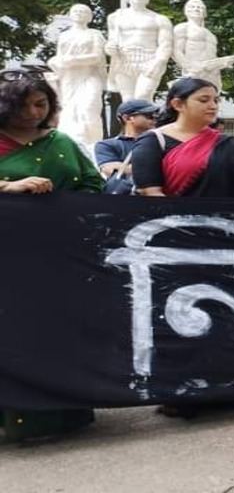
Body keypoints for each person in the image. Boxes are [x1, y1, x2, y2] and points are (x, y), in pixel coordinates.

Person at [0, 70, 103, 441]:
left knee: (57, 330)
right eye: (22, 105)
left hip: (59, 255)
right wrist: (10, 188)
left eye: (40, 103)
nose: (32, 112)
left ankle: (65, 416)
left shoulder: (62, 141)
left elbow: (94, 185)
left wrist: (61, 205)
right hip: (8, 261)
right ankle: (17, 418)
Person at [132, 77, 234, 198]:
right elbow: (150, 192)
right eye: (203, 100)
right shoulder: (153, 141)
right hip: (173, 221)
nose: (213, 106)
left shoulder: (230, 144)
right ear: (178, 104)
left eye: (216, 100)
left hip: (228, 221)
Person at [47, 4, 107, 144]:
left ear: (89, 17)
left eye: (83, 11)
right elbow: (60, 58)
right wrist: (55, 63)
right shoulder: (65, 35)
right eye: (75, 11)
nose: (79, 13)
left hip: (89, 75)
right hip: (69, 77)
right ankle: (69, 141)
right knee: (69, 108)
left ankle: (94, 143)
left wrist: (73, 60)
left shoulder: (94, 34)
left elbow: (97, 56)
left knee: (89, 107)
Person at [105, 0, 173, 102]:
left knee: (143, 97)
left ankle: (149, 120)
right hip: (124, 61)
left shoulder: (159, 19)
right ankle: (131, 122)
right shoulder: (115, 18)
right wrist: (109, 48)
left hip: (148, 60)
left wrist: (159, 62)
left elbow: (166, 45)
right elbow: (112, 41)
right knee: (128, 101)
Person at [93, 99, 159, 178]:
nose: (155, 118)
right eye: (149, 115)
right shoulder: (106, 145)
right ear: (127, 118)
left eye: (156, 114)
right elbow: (113, 171)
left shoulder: (161, 140)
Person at [172, 0, 227, 90]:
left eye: (200, 7)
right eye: (192, 7)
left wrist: (222, 64)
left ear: (205, 13)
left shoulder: (210, 34)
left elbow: (213, 55)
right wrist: (190, 67)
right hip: (194, 71)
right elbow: (175, 50)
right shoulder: (182, 28)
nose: (196, 9)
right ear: (186, 11)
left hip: (213, 73)